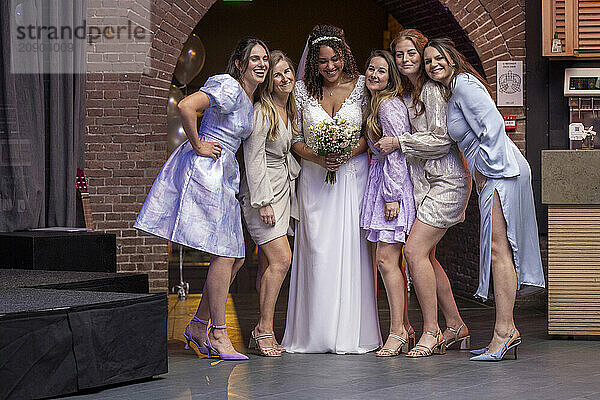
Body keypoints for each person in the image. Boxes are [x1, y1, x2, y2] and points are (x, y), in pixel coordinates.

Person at [134, 37, 270, 361]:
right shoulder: (227, 86)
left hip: (224, 177)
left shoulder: (249, 102)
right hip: (207, 172)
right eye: (255, 59)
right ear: (240, 63)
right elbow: (185, 106)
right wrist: (198, 145)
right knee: (225, 255)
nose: (262, 64)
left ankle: (198, 325)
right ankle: (219, 333)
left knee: (236, 257)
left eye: (265, 58)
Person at [423, 37, 545, 361]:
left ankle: (505, 332)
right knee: (498, 248)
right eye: (428, 61)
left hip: (502, 171)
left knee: (499, 248)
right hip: (497, 171)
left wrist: (484, 171)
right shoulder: (453, 90)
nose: (433, 64)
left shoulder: (463, 83)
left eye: (438, 57)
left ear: (452, 57)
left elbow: (493, 126)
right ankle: (505, 331)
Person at [281, 25, 382, 354]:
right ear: (313, 62)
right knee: (317, 254)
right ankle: (315, 332)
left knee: (353, 252)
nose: (329, 66)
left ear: (344, 57)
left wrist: (345, 153)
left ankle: (351, 332)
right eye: (322, 61)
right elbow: (293, 140)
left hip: (353, 178)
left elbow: (371, 135)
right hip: (314, 180)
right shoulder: (300, 92)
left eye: (335, 59)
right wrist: (319, 157)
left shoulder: (360, 89)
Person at [376, 29, 472, 358]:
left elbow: (442, 140)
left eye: (412, 54)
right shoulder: (409, 93)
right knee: (427, 256)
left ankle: (431, 330)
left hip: (447, 182)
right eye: (399, 55)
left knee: (414, 252)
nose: (406, 60)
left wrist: (399, 142)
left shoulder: (431, 90)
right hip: (428, 184)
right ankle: (455, 325)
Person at [239, 50, 301, 357]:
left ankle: (263, 329)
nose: (284, 78)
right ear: (270, 81)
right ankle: (263, 328)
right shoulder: (262, 110)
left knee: (269, 263)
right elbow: (253, 158)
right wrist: (262, 201)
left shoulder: (289, 109)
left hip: (283, 188)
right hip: (263, 193)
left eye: (288, 71)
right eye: (277, 74)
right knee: (281, 259)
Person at [361, 50, 416, 356]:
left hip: (390, 187)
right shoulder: (376, 104)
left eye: (382, 71)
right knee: (388, 260)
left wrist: (392, 196)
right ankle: (404, 326)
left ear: (391, 76)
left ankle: (397, 331)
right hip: (379, 181)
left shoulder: (388, 107)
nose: (374, 75)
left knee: (386, 260)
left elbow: (397, 152)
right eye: (371, 69)